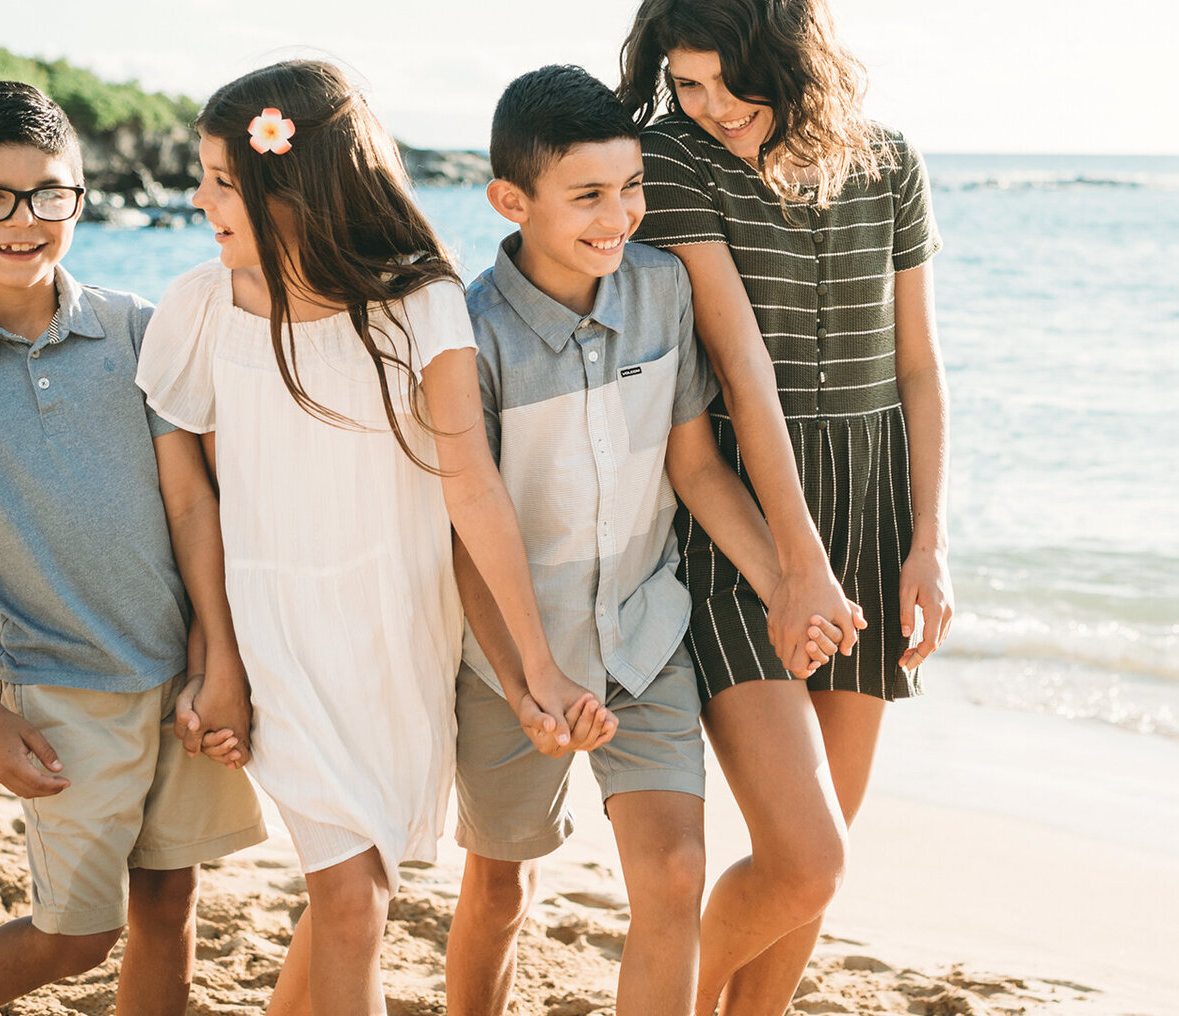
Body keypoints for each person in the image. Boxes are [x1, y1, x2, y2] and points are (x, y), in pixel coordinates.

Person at [134, 60, 594, 1016]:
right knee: (352, 899)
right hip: (276, 635)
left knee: (357, 890)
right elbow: (193, 506)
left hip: (396, 640)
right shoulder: (201, 308)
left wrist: (534, 666)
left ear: (287, 187)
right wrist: (217, 658)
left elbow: (473, 488)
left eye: (222, 178)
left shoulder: (421, 303)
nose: (200, 198)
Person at [444, 64, 841, 1016]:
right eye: (588, 196)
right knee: (500, 886)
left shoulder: (662, 290)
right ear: (512, 199)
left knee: (672, 875)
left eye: (632, 188)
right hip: (507, 657)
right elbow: (463, 541)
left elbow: (695, 467)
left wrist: (785, 578)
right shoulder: (469, 336)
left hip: (644, 636)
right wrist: (532, 679)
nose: (619, 216)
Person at [0, 80, 265, 1016]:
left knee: (171, 897)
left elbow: (192, 503)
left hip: (184, 675)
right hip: (57, 693)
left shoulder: (138, 327)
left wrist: (218, 656)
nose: (23, 220)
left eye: (50, 194)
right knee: (78, 932)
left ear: (82, 197)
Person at [619, 1, 956, 1013]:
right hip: (740, 525)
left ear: (792, 61)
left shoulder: (889, 160)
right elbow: (740, 365)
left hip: (872, 506)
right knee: (803, 857)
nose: (709, 105)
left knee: (822, 865)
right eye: (685, 82)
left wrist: (927, 540)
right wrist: (795, 562)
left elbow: (920, 369)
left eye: (729, 81)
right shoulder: (673, 157)